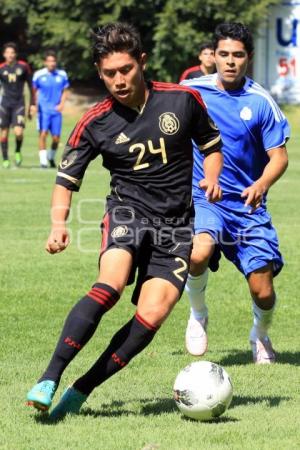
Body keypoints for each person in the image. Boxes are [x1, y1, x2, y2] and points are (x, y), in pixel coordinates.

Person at [26, 22, 223, 419]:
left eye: (125, 70)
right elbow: (66, 181)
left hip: (177, 227)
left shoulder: (183, 100)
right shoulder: (95, 121)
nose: (118, 80)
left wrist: (213, 176)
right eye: (109, 73)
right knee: (110, 284)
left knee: (151, 316)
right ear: (99, 73)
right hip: (127, 214)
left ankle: (81, 390)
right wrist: (58, 225)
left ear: (142, 63)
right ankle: (49, 377)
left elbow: (211, 144)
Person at [182, 23, 289, 363]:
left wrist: (260, 184)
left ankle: (259, 335)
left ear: (249, 58)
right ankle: (198, 313)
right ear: (212, 56)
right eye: (223, 54)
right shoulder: (190, 91)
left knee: (264, 291)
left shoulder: (260, 102)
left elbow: (279, 158)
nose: (230, 61)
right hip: (205, 198)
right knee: (197, 254)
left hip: (246, 205)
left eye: (237, 55)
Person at [0, 42, 35, 168]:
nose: (10, 55)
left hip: (19, 104)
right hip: (4, 104)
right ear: (4, 54)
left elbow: (31, 86)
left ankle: (17, 151)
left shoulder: (23, 67)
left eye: (12, 52)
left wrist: (32, 104)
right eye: (7, 52)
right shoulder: (1, 68)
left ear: (16, 54)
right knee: (3, 133)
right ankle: (5, 158)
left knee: (18, 132)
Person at [32, 51, 69, 168]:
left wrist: (62, 104)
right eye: (49, 61)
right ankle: (43, 162)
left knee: (56, 138)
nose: (51, 63)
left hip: (56, 111)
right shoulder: (38, 75)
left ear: (56, 62)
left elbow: (65, 91)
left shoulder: (62, 74)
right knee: (43, 134)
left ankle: (51, 157)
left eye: (53, 61)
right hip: (43, 111)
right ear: (45, 62)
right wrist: (34, 106)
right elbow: (34, 92)